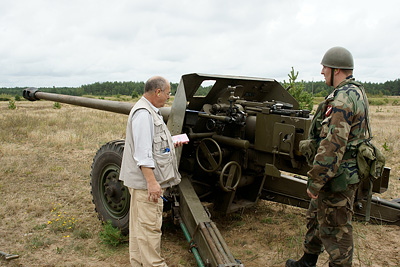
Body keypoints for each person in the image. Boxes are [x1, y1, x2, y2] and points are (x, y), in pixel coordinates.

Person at [286, 47, 369, 267]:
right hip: (339, 173)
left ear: (337, 70)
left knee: (337, 230)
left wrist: (315, 181)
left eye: (325, 67)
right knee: (316, 218)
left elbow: (333, 145)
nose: (322, 71)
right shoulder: (354, 92)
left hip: (337, 176)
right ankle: (307, 261)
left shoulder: (342, 99)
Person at [119, 76, 187, 267]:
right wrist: (152, 182)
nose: (168, 97)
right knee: (149, 231)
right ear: (158, 92)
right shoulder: (143, 114)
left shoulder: (150, 112)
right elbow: (142, 153)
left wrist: (175, 142)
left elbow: (153, 144)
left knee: (140, 231)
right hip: (146, 187)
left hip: (142, 186)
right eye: (167, 93)